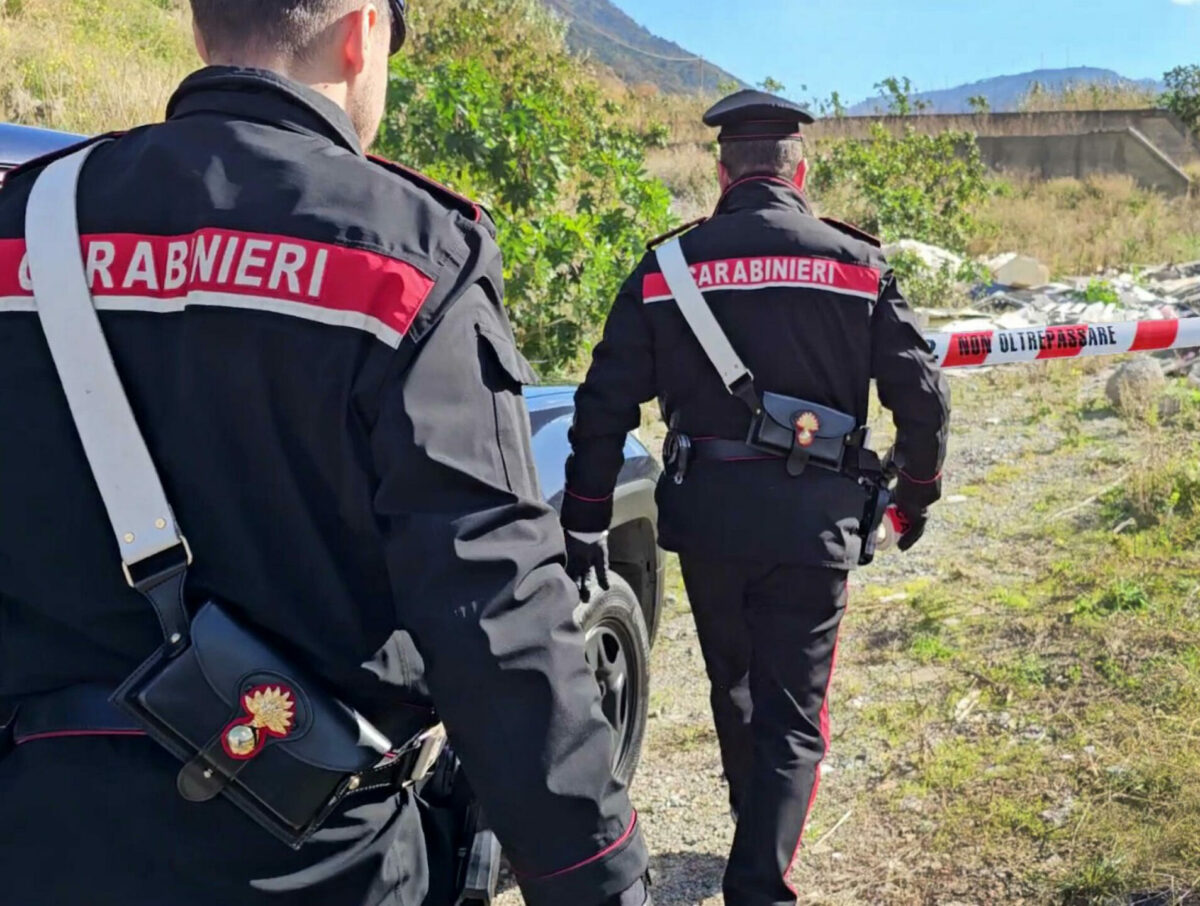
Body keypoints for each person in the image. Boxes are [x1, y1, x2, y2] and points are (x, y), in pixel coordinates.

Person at [0, 2, 651, 905]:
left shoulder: (23, 221)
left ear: (200, 28)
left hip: (41, 843)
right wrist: (595, 874)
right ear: (363, 33)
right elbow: (496, 613)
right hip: (316, 857)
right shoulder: (411, 254)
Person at [561, 89, 950, 906]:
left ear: (722, 171)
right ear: (798, 171)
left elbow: (603, 399)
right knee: (795, 713)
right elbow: (921, 396)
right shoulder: (857, 264)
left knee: (734, 684)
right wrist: (914, 494)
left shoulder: (667, 268)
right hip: (817, 524)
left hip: (708, 519)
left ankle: (753, 822)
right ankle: (759, 882)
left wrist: (587, 514)